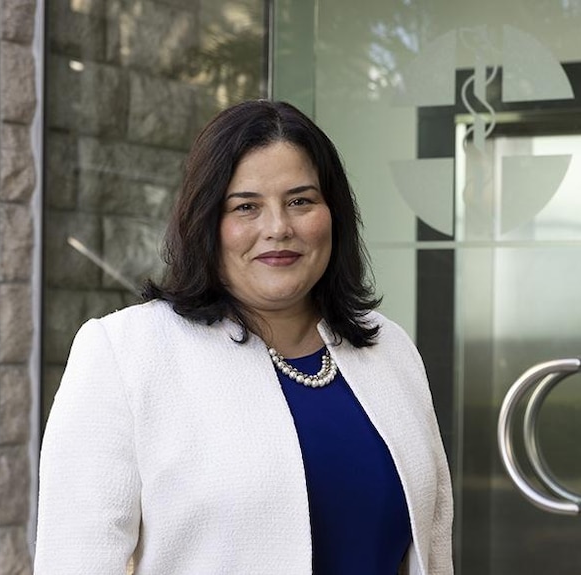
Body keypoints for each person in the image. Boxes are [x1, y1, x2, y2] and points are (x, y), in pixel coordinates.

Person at [34, 100, 453, 575]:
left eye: (300, 201)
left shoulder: (389, 348)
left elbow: (431, 545)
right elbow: (75, 561)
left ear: (333, 212)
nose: (278, 228)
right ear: (206, 222)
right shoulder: (126, 353)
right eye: (246, 207)